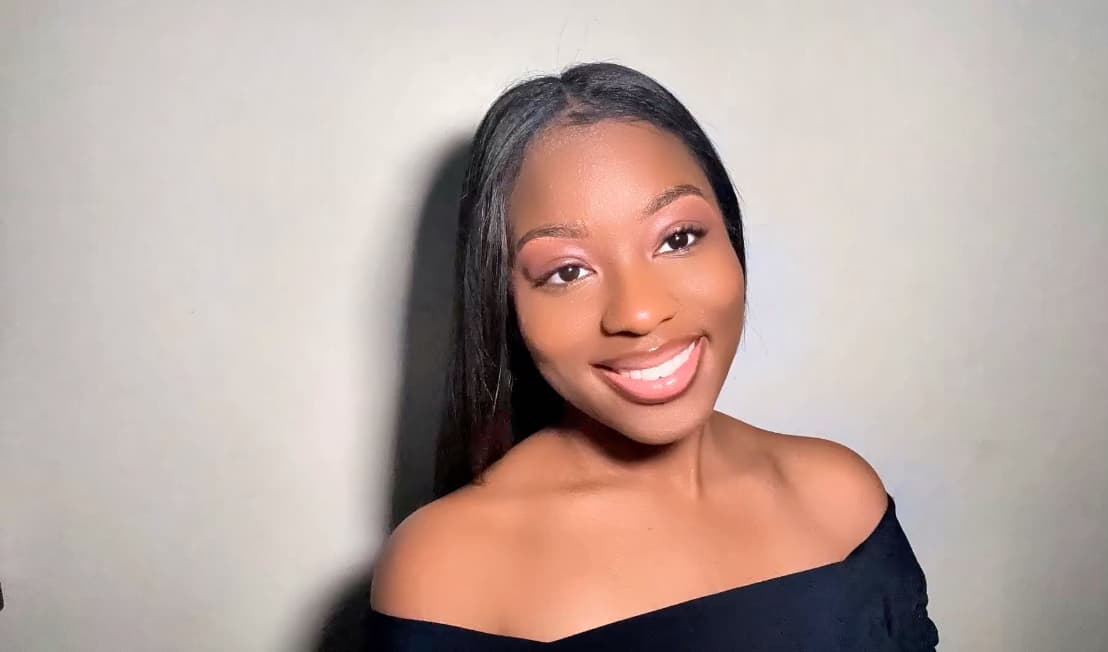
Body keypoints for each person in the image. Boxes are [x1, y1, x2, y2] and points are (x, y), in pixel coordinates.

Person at [368, 62, 938, 650]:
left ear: (732, 237)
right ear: (507, 301)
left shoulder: (840, 498)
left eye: (678, 238)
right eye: (567, 271)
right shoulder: (446, 570)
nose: (638, 313)